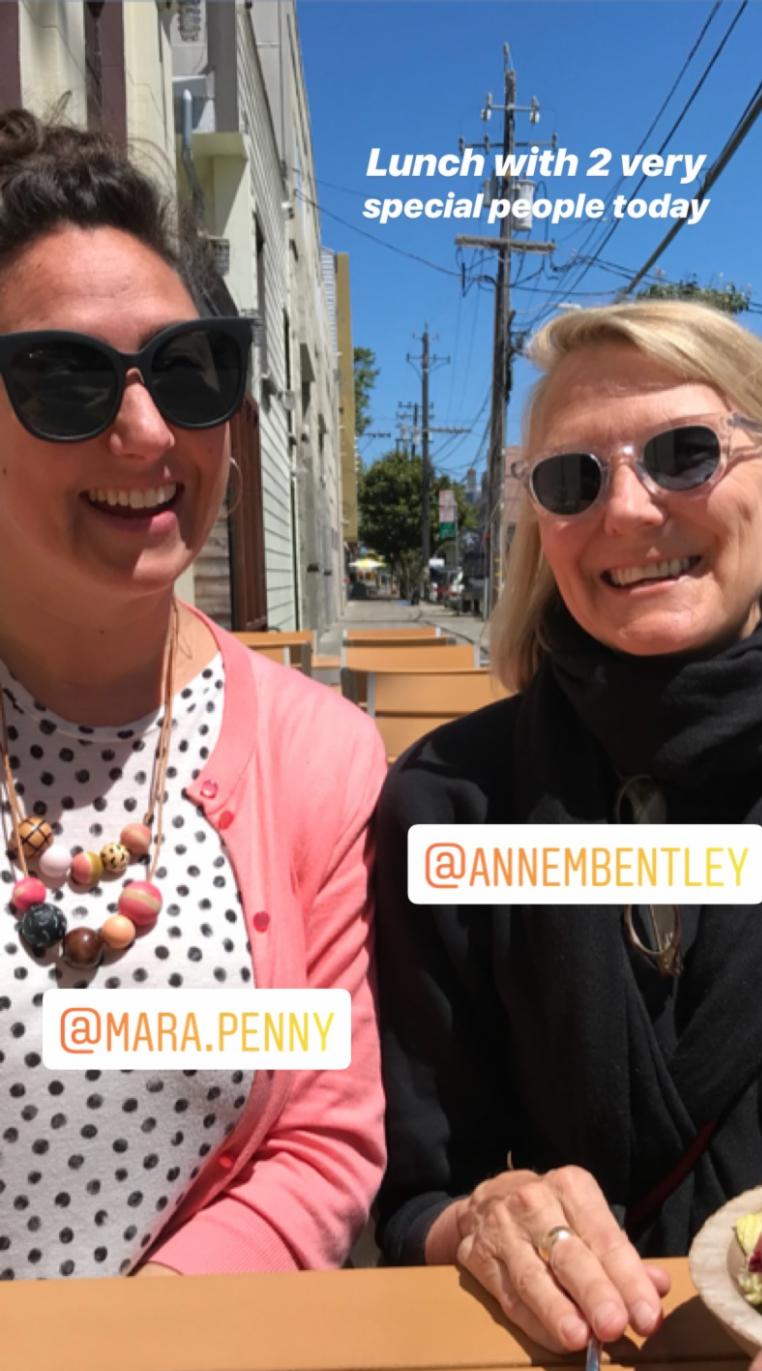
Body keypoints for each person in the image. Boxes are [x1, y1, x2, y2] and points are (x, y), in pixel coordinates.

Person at [0, 108, 386, 1281]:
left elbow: (320, 1137)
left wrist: (130, 1351)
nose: (147, 430)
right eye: (63, 379)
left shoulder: (317, 756)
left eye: (188, 369)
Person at [374, 299, 762, 1354]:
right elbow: (416, 1192)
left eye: (685, 452)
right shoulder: (450, 798)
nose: (627, 510)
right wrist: (489, 1215)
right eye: (573, 478)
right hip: (570, 1369)